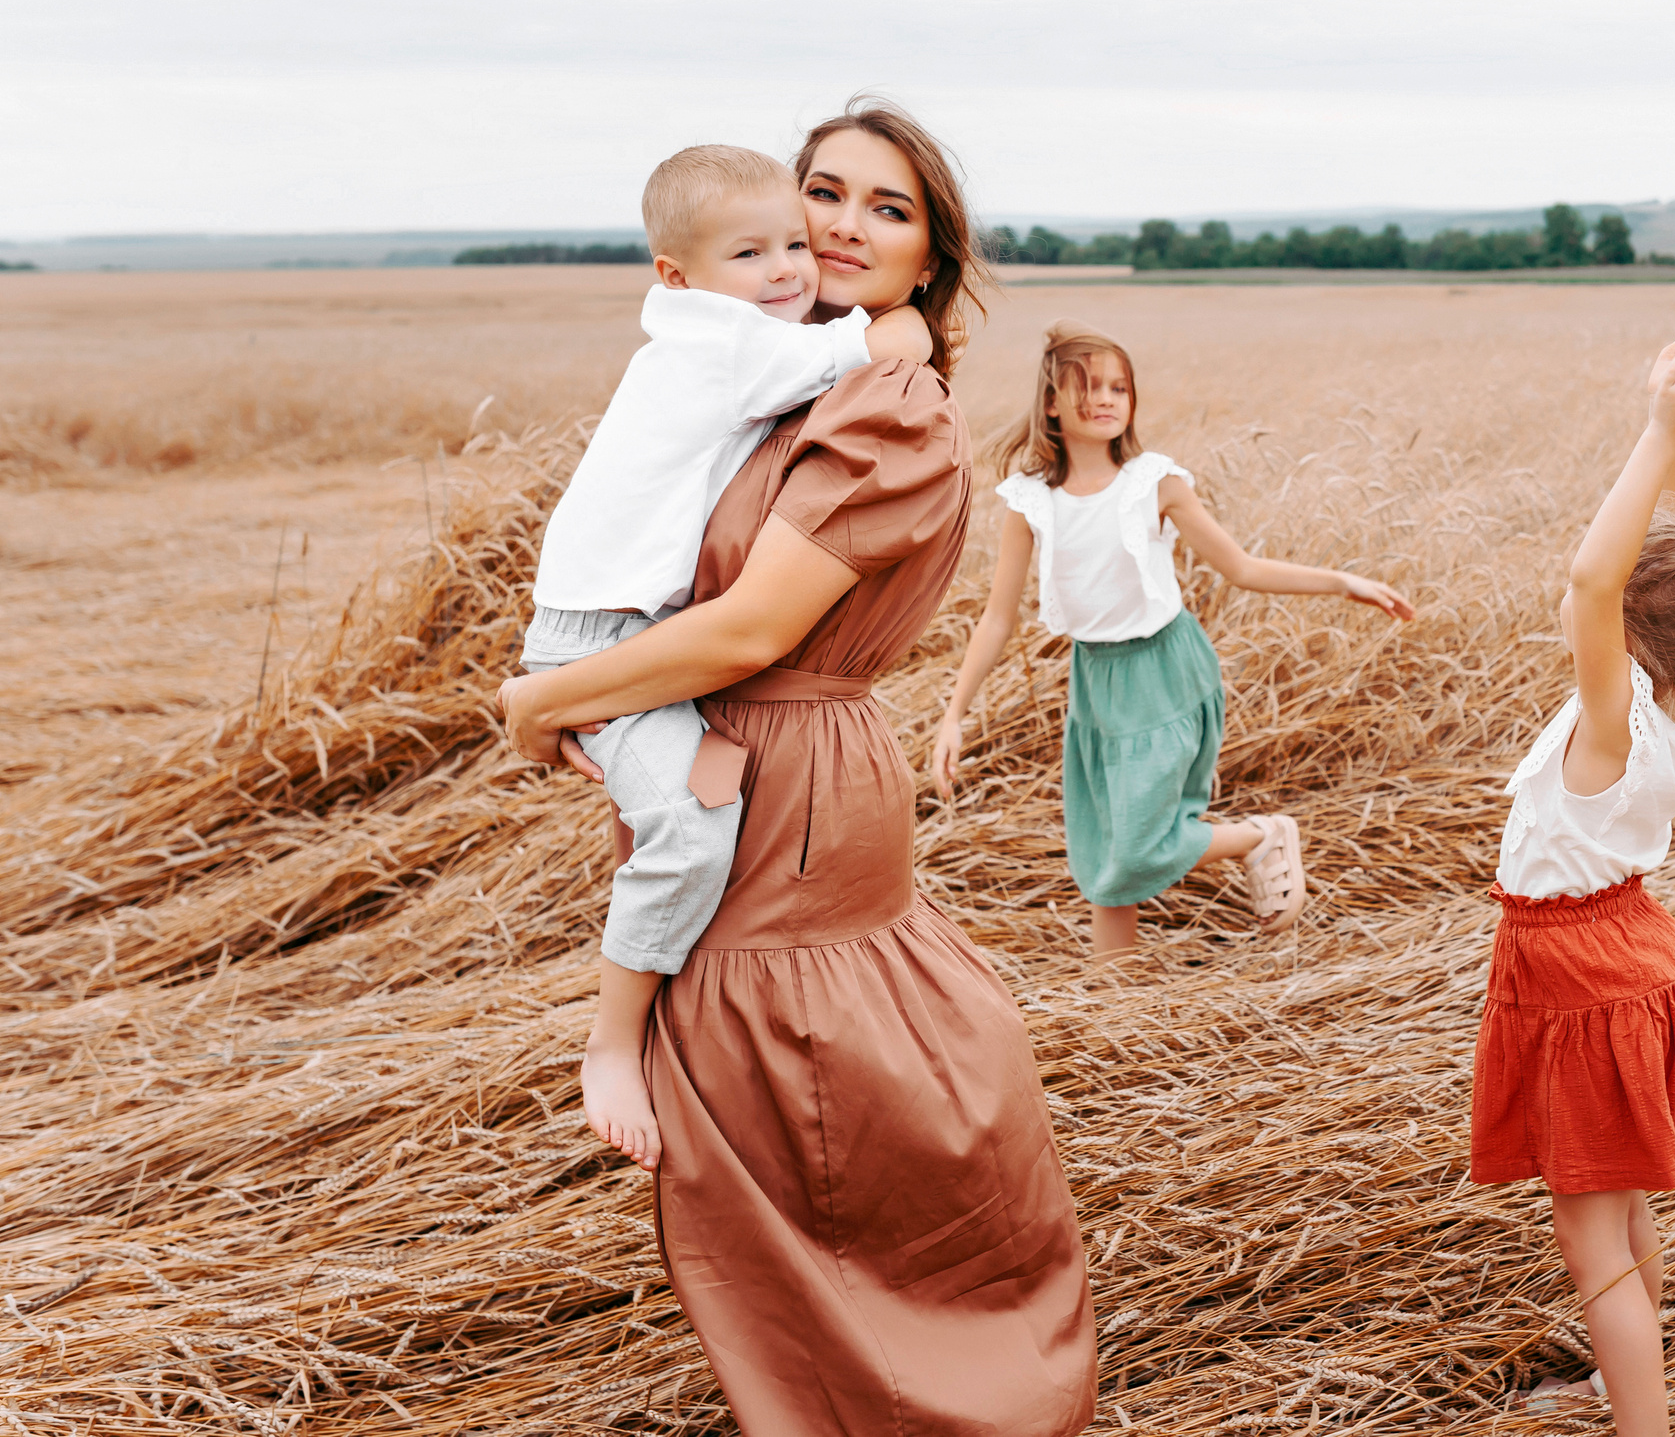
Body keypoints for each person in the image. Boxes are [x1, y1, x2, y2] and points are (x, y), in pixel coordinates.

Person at [499, 99, 1095, 1437]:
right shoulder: (807, 368)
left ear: (931, 261)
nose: (838, 223)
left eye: (887, 211)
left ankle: (935, 1387)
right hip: (743, 744)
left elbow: (760, 624)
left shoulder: (886, 404)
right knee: (772, 1110)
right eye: (823, 189)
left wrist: (542, 696)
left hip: (790, 766)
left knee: (802, 1113)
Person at [520, 142, 931, 1174]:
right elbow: (851, 355)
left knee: (694, 831)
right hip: (613, 636)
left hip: (632, 635)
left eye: (797, 239)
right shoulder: (729, 344)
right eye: (758, 249)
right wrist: (901, 327)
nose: (797, 262)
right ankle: (612, 1047)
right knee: (690, 837)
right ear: (677, 274)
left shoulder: (725, 337)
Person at [1468, 315, 1675, 1437]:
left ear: (1623, 628)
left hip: (1579, 975)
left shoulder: (1616, 715)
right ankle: (1619, 1386)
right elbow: (1672, 552)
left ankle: (1641, 1422)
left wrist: (1658, 425)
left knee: (1591, 1241)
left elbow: (1594, 576)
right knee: (1622, 1206)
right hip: (1629, 954)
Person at [930, 320, 1416, 957]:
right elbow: (998, 617)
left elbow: (1241, 568)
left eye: (1119, 388)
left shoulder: (1153, 483)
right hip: (1095, 683)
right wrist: (954, 713)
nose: (1105, 400)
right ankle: (1116, 1003)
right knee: (1108, 856)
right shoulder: (1030, 503)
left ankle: (1259, 836)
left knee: (1136, 845)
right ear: (1050, 401)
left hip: (1165, 672)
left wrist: (1342, 583)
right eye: (1088, 387)